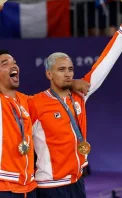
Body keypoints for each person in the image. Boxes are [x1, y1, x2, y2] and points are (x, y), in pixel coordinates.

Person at [0, 0, 90, 198]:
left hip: (28, 187)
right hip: (0, 187)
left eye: (14, 61)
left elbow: (55, 95)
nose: (13, 65)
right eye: (5, 63)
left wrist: (72, 82)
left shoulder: (27, 102)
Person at [27, 25, 122, 197]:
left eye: (70, 69)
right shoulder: (34, 103)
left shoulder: (79, 95)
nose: (68, 74)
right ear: (49, 74)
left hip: (77, 180)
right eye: (61, 70)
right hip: (50, 186)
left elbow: (104, 64)